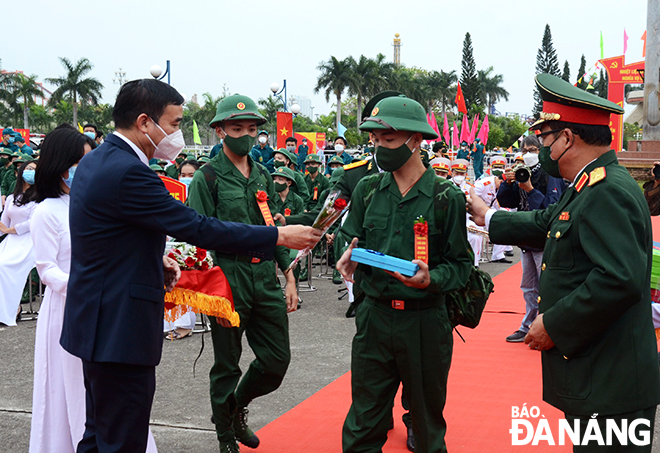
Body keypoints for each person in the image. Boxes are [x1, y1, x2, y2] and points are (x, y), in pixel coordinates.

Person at [60, 80, 320, 453]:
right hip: (120, 326)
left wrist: (152, 258)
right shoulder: (129, 171)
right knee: (121, 439)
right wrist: (277, 236)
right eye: (176, 122)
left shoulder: (98, 160)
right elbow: (198, 227)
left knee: (99, 433)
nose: (178, 133)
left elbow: (106, 236)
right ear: (146, 122)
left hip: (98, 319)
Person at [469, 73, 660, 452]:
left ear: (568, 138)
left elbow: (618, 278)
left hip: (611, 382)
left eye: (545, 139)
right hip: (600, 374)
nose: (541, 149)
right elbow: (550, 222)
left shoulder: (606, 191)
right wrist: (488, 216)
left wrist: (553, 324)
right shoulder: (591, 185)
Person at [336, 94, 472, 453]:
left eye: (389, 140)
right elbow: (350, 238)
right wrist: (346, 256)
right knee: (363, 423)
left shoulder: (445, 196)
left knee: (426, 426)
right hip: (374, 319)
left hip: (424, 322)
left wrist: (432, 279)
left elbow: (461, 265)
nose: (380, 148)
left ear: (415, 140)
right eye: (375, 140)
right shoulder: (367, 190)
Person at [187, 93, 307, 452]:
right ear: (221, 130)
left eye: (251, 129)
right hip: (227, 278)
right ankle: (226, 436)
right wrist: (213, 297)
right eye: (236, 128)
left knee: (276, 361)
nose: (245, 135)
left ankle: (235, 408)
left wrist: (288, 276)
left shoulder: (264, 175)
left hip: (263, 278)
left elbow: (271, 228)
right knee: (227, 365)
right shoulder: (206, 179)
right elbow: (197, 241)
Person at [497, 134, 566, 343]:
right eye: (524, 151)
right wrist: (508, 183)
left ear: (540, 152)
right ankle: (527, 326)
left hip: (544, 239)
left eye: (533, 151)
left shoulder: (549, 174)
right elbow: (505, 200)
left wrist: (530, 189)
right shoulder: (521, 172)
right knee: (528, 287)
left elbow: (551, 208)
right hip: (526, 237)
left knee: (546, 287)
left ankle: (550, 328)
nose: (527, 155)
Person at [162, 158, 202, 341]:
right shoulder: (174, 198)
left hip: (199, 246)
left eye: (191, 176)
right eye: (183, 175)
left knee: (184, 268)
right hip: (177, 244)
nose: (186, 179)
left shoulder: (202, 196)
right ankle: (167, 323)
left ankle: (184, 323)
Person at [0, 160, 37, 326]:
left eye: (35, 170)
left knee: (4, 266)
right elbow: (3, 224)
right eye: (29, 169)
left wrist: (10, 230)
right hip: (10, 241)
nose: (31, 172)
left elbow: (33, 223)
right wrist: (6, 231)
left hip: (29, 241)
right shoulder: (10, 198)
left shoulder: (41, 198)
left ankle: (13, 308)